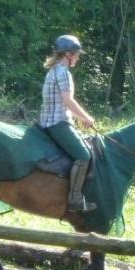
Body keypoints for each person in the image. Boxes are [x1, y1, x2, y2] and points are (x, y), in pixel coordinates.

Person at [39, 34, 96, 212]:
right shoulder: (63, 72)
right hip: (57, 123)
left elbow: (60, 102)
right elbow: (67, 101)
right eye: (77, 54)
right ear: (68, 54)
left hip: (48, 121)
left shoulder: (53, 70)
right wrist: (86, 118)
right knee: (84, 155)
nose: (78, 58)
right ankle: (75, 199)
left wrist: (77, 119)